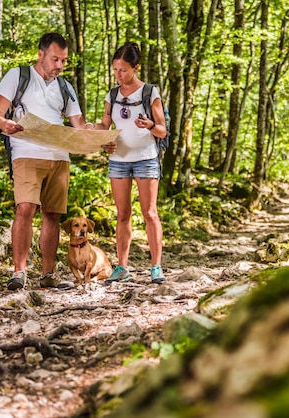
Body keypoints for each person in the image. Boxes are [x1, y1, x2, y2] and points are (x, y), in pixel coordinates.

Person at [0, 32, 115, 291]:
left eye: (64, 61)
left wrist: (99, 140)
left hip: (59, 155)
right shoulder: (18, 75)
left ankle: (48, 274)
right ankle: (19, 272)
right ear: (41, 54)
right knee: (25, 208)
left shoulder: (65, 87)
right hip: (26, 150)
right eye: (55, 59)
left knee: (53, 215)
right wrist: (5, 123)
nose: (59, 65)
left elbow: (79, 126)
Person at [97, 42, 166, 284]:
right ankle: (122, 267)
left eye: (123, 70)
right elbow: (104, 128)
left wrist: (149, 125)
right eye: (115, 70)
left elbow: (162, 131)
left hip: (146, 158)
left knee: (149, 213)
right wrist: (101, 140)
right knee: (122, 214)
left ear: (136, 67)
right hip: (118, 160)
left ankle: (156, 266)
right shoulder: (113, 95)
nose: (119, 75)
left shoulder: (149, 93)